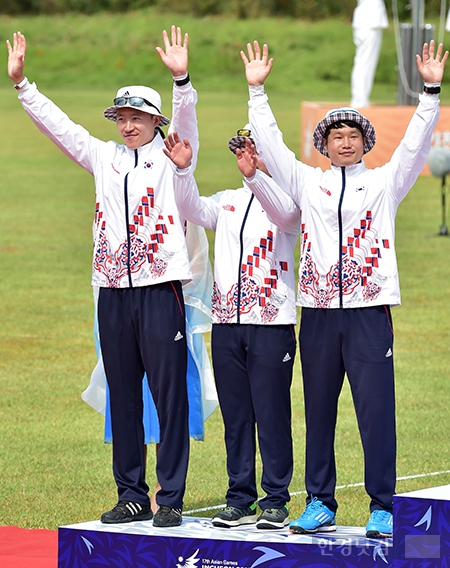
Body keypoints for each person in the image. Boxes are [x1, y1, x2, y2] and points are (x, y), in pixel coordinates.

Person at [240, 39, 448, 537]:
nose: (346, 141)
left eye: (354, 133)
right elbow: (270, 146)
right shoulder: (307, 182)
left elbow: (416, 144)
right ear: (324, 144)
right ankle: (320, 502)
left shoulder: (385, 183)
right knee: (319, 412)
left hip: (368, 311)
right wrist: (256, 92)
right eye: (336, 135)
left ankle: (381, 506)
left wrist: (431, 91)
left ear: (365, 141)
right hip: (317, 314)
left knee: (376, 411)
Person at [7, 26, 199, 528]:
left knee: (169, 394)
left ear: (156, 121)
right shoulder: (103, 157)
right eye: (122, 116)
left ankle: (170, 496)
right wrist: (24, 84)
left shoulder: (173, 153)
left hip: (162, 291)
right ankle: (131, 494)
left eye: (138, 117)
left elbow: (186, 121)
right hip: (112, 293)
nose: (128, 125)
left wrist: (181, 81)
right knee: (124, 395)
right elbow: (61, 127)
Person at [163, 127, 300, 529]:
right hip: (227, 323)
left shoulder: (288, 202)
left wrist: (256, 176)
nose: (250, 156)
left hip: (271, 323)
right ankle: (239, 497)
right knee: (237, 415)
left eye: (257, 150)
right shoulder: (228, 201)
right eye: (244, 150)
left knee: (272, 412)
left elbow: (284, 216)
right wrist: (184, 171)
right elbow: (189, 209)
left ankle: (275, 499)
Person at [350, 0, 388, 108]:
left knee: (362, 62)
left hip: (365, 21)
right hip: (370, 21)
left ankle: (359, 99)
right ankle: (360, 100)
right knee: (365, 63)